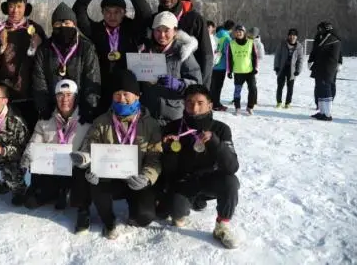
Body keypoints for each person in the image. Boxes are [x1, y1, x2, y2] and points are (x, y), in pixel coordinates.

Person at [70, 70, 162, 239]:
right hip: (110, 177)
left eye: (126, 94)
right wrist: (88, 161)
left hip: (136, 179)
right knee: (93, 180)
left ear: (137, 96)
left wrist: (147, 177)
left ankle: (136, 211)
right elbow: (90, 145)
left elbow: (154, 157)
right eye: (117, 94)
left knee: (144, 217)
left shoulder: (151, 124)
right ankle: (109, 221)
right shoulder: (102, 121)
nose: (122, 99)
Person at [159, 84, 239, 249]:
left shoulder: (221, 129)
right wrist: (169, 151)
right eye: (189, 102)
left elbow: (232, 166)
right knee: (176, 214)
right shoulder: (173, 128)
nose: (194, 108)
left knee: (230, 181)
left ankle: (222, 226)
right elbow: (168, 171)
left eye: (200, 103)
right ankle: (190, 203)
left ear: (210, 105)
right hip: (184, 181)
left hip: (211, 179)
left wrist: (216, 143)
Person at [72, 0, 152, 114]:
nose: (112, 16)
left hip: (127, 90)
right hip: (102, 88)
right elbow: (78, 12)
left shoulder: (132, 29)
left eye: (117, 12)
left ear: (124, 13)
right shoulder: (95, 30)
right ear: (102, 12)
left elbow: (145, 13)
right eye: (107, 12)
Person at [21, 80, 92, 233]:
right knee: (30, 202)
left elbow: (88, 147)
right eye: (60, 95)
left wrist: (83, 157)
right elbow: (34, 142)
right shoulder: (45, 120)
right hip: (52, 168)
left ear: (76, 97)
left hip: (74, 170)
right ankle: (57, 192)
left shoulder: (86, 121)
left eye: (69, 95)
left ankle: (83, 209)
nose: (64, 99)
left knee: (83, 175)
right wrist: (28, 156)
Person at [31, 2, 101, 124]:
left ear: (74, 25)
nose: (63, 26)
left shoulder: (86, 47)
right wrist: (44, 108)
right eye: (58, 24)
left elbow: (92, 78)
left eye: (67, 23)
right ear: (53, 26)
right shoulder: (44, 49)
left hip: (80, 112)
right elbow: (39, 81)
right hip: (53, 111)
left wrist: (88, 109)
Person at [0, 0, 47, 132]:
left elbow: (45, 59)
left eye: (19, 6)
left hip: (30, 93)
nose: (15, 10)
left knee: (29, 133)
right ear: (6, 7)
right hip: (6, 93)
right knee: (7, 134)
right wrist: (1, 47)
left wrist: (37, 46)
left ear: (25, 8)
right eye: (11, 6)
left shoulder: (35, 29)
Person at [139, 11, 202, 125]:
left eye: (166, 30)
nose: (162, 35)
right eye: (158, 30)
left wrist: (180, 84)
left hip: (174, 117)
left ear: (175, 31)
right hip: (147, 116)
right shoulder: (145, 51)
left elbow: (198, 84)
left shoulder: (183, 53)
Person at [154, 0, 213, 89]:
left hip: (190, 85)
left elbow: (207, 56)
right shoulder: (154, 20)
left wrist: (202, 90)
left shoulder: (195, 19)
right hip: (161, 87)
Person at [308, 21, 342, 121]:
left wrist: (340, 62)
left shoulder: (331, 38)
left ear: (326, 29)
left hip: (327, 67)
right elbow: (316, 49)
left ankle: (327, 114)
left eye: (320, 29)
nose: (319, 31)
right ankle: (322, 112)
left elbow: (319, 47)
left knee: (326, 88)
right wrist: (311, 59)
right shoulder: (323, 37)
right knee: (320, 89)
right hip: (320, 66)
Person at [226, 25, 258, 115]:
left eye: (241, 31)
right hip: (238, 72)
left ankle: (250, 107)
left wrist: (255, 68)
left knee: (253, 89)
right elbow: (229, 58)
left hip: (249, 71)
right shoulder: (231, 44)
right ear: (235, 33)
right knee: (237, 90)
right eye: (237, 31)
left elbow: (255, 57)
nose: (239, 33)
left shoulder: (250, 43)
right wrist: (229, 71)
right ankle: (237, 107)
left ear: (244, 33)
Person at [273, 28, 304, 108]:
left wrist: (298, 70)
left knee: (290, 87)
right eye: (290, 35)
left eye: (294, 35)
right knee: (280, 86)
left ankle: (288, 103)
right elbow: (277, 56)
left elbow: (300, 59)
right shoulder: (282, 44)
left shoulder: (299, 46)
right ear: (288, 36)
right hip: (282, 68)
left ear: (296, 37)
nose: (292, 37)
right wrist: (276, 66)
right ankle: (279, 102)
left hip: (292, 70)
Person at [211, 20, 235, 111]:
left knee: (212, 85)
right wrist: (230, 69)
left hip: (212, 64)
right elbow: (228, 53)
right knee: (218, 86)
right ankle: (216, 104)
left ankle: (211, 102)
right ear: (231, 29)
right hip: (221, 65)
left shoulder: (215, 36)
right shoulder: (227, 38)